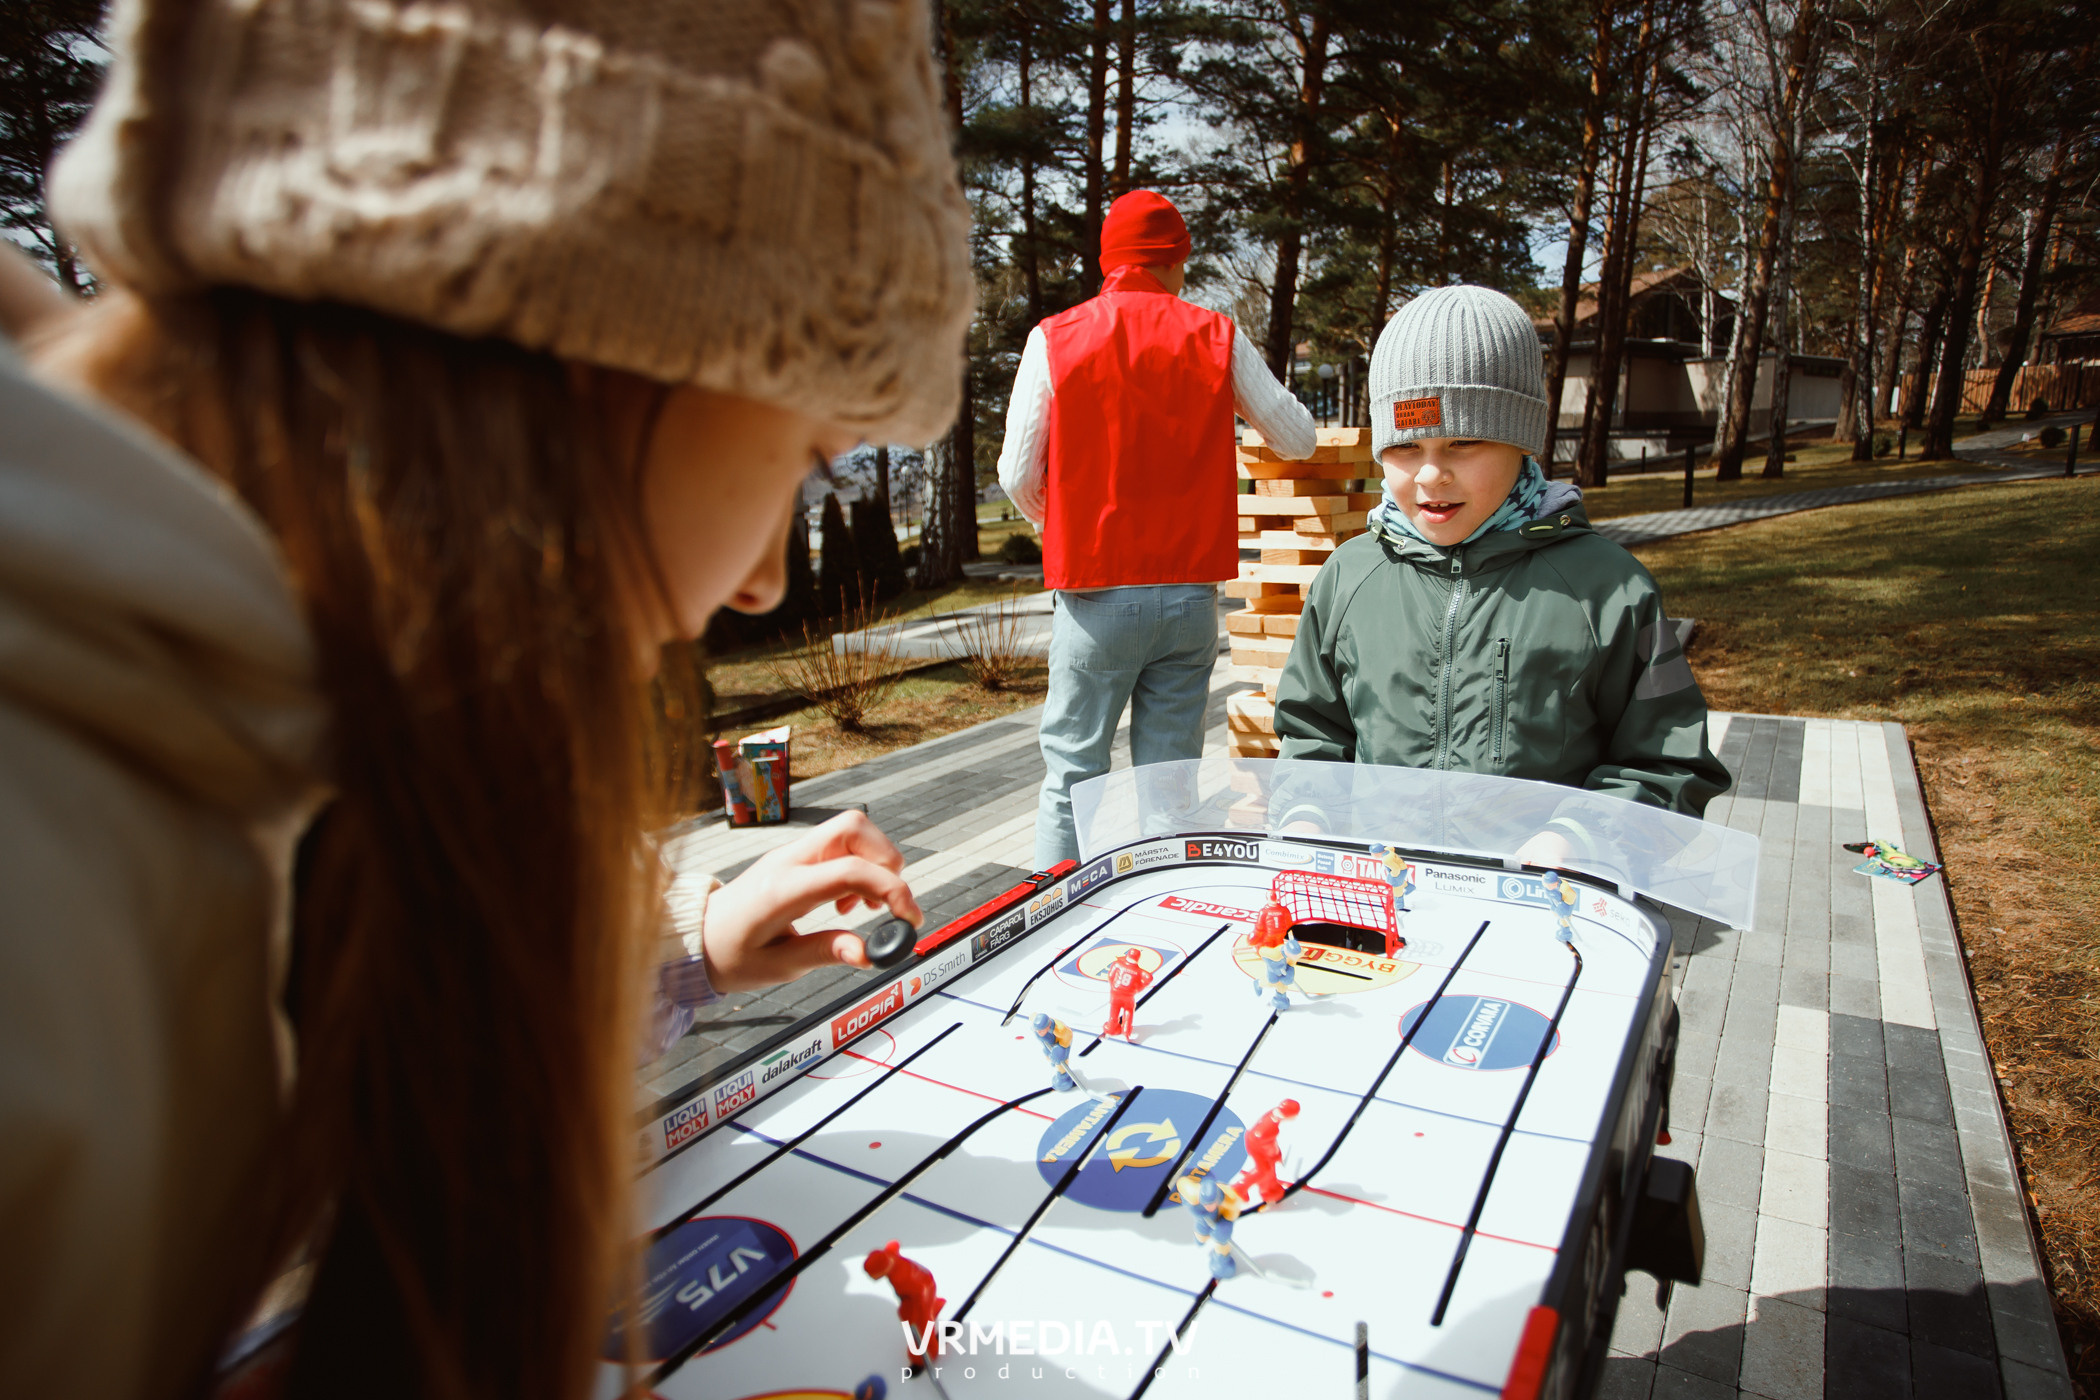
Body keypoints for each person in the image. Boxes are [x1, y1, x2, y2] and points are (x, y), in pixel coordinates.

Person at [0, 1, 971, 1397]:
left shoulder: (219, 697)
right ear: (601, 337)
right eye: (812, 455)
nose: (764, 579)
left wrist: (678, 953)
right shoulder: (55, 899)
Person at [1274, 286, 1729, 866]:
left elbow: (1667, 763)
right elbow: (1313, 731)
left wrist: (1580, 838)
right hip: (1379, 897)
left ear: (1521, 442)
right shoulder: (1349, 576)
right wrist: (1307, 812)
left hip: (1540, 902)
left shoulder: (1610, 590)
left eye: (1464, 442)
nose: (1432, 474)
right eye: (1406, 447)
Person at [998, 190, 1316, 867]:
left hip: (1094, 600)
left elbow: (1015, 472)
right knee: (1170, 793)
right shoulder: (1216, 335)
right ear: (1175, 260)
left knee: (1072, 781)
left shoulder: (1054, 338)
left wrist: (1066, 522)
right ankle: (1157, 919)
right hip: (1188, 599)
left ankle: (1050, 924)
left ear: (1109, 261)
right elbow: (1298, 438)